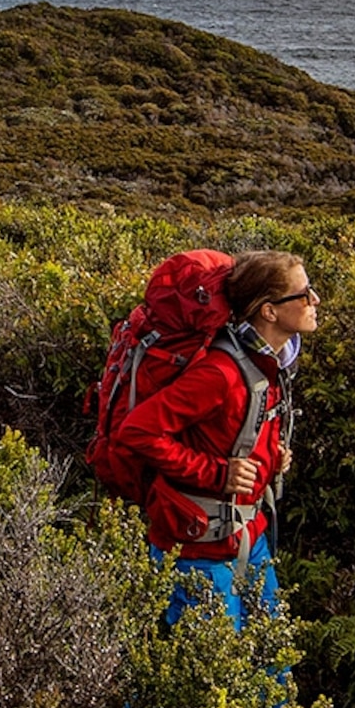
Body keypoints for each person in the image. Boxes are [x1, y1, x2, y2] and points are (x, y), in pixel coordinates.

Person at [104, 250, 315, 631]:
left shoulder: (270, 362)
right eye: (303, 294)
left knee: (272, 667)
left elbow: (233, 431)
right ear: (269, 311)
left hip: (249, 538)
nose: (314, 301)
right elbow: (137, 431)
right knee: (205, 678)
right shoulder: (220, 373)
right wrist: (218, 474)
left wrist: (272, 456)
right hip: (198, 550)